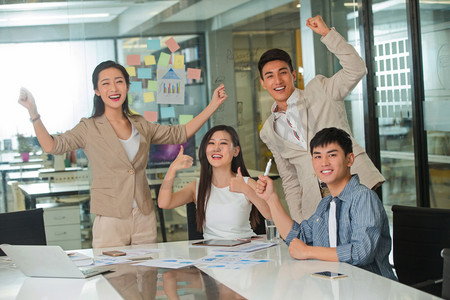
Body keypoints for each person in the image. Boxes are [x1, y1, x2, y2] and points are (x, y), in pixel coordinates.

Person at [17, 60, 228, 248]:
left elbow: (180, 133)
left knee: (146, 283)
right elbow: (52, 146)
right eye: (105, 83)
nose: (113, 88)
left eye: (119, 81)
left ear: (127, 86)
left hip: (144, 215)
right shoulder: (89, 127)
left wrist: (212, 106)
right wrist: (33, 113)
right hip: (110, 217)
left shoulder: (140, 124)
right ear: (97, 91)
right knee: (113, 283)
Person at [258, 15, 385, 223]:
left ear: (292, 74)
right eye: (270, 76)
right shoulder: (268, 131)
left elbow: (356, 69)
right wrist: (299, 220)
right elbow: (289, 179)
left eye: (283, 73)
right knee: (323, 255)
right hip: (316, 205)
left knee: (361, 251)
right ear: (263, 83)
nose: (278, 80)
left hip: (354, 185)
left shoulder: (320, 89)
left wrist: (327, 34)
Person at [256, 127, 397, 280]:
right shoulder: (326, 204)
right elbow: (298, 237)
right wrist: (271, 198)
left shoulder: (363, 198)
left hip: (372, 289)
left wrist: (309, 251)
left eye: (332, 155)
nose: (324, 163)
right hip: (338, 286)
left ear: (349, 159)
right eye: (317, 156)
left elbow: (360, 252)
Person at [158, 125, 271, 239]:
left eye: (223, 143)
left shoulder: (247, 182)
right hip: (213, 252)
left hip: (245, 249)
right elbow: (164, 203)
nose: (216, 148)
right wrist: (172, 169)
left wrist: (246, 191)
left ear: (236, 151)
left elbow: (271, 214)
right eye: (211, 143)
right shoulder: (197, 186)